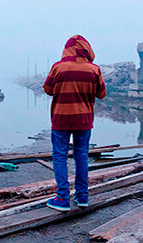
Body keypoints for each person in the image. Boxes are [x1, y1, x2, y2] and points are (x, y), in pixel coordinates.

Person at [42, 35, 106, 211]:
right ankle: (82, 197)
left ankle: (63, 198)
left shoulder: (58, 67)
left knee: (60, 156)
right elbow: (102, 94)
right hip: (84, 119)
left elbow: (47, 90)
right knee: (81, 155)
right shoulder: (94, 69)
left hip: (61, 118)